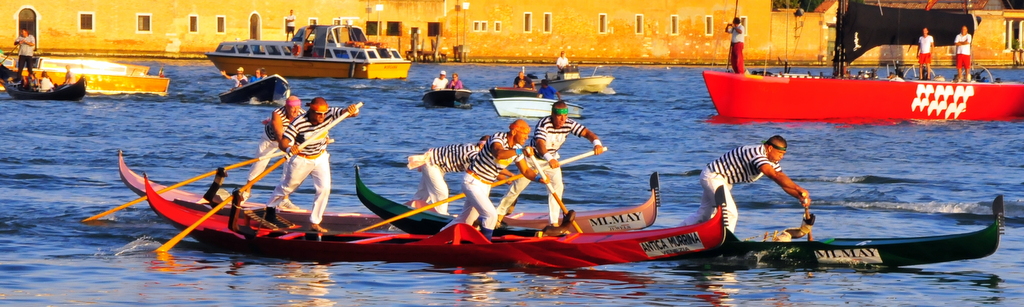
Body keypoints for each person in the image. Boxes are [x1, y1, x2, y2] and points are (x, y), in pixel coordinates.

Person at [495, 101, 604, 227]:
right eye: (559, 116)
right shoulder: (544, 124)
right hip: (533, 159)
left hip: (552, 160)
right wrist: (548, 158)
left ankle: (553, 223)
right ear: (552, 114)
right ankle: (499, 215)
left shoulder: (568, 123)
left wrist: (596, 143)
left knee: (557, 188)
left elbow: (587, 133)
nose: (563, 120)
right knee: (516, 188)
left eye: (565, 116)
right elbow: (540, 143)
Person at [442, 120, 547, 241]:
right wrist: (521, 151)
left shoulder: (517, 148)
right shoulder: (498, 138)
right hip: (472, 181)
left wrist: (539, 179)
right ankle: (485, 246)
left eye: (528, 134)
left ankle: (437, 238)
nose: (526, 137)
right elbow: (498, 154)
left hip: (485, 186)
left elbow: (526, 171)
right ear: (514, 132)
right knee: (491, 215)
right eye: (524, 133)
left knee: (466, 220)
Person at [267, 97, 361, 233]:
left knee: (324, 188)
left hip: (321, 157)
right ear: (311, 111)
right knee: (288, 187)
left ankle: (315, 222)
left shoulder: (329, 113)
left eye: (324, 114)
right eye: (318, 114)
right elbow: (283, 142)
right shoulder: (298, 123)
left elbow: (349, 113)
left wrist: (353, 110)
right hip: (301, 159)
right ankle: (270, 207)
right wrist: (289, 149)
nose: (322, 117)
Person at [681, 136, 810, 233]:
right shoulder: (756, 153)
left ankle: (678, 234)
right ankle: (726, 243)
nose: (782, 157)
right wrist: (799, 188)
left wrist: (798, 196)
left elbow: (781, 181)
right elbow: (773, 175)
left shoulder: (771, 160)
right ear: (770, 148)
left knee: (704, 214)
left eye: (783, 154)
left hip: (722, 181)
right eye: (780, 153)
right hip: (714, 177)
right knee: (730, 212)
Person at [247, 96, 306, 208]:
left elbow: (310, 129)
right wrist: (286, 148)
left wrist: (323, 138)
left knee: (289, 168)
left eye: (298, 108)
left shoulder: (302, 114)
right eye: (293, 108)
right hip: (270, 139)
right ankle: (246, 192)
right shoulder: (277, 113)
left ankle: (284, 199)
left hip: (288, 141)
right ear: (286, 106)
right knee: (259, 164)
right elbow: (279, 135)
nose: (295, 111)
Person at [406, 136, 489, 215]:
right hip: (431, 164)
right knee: (442, 192)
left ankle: (407, 212)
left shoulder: (475, 148)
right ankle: (441, 215)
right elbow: (482, 165)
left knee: (423, 194)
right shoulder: (472, 152)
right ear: (482, 146)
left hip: (436, 165)